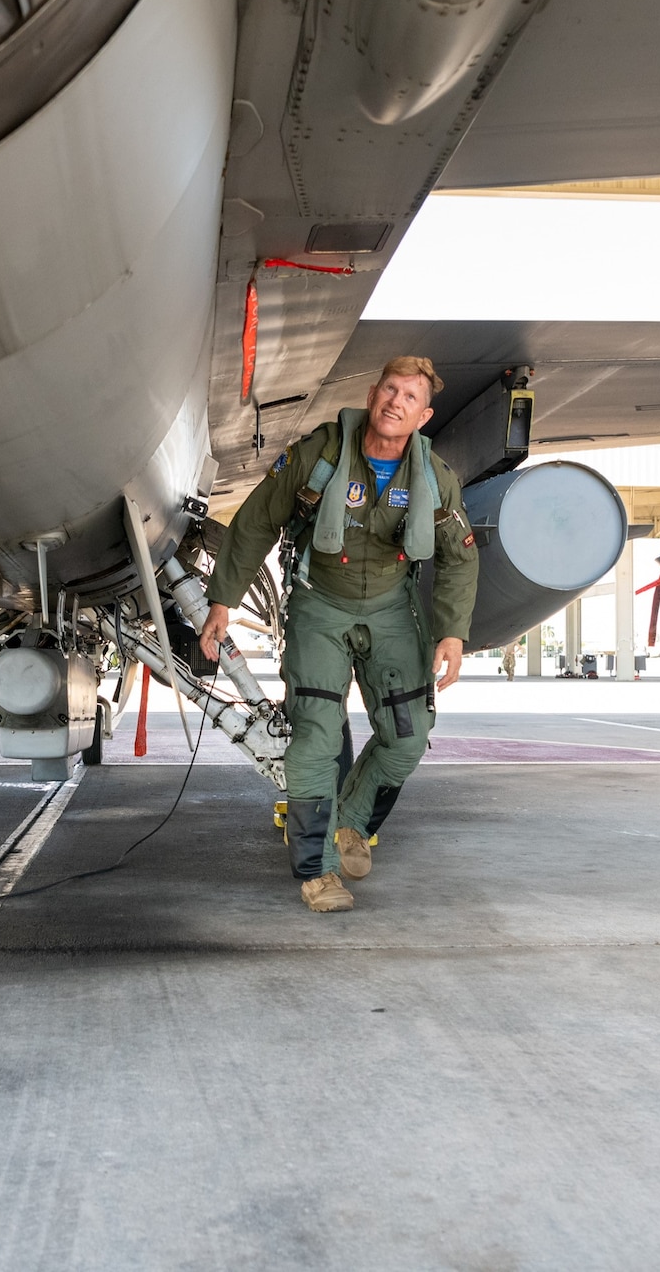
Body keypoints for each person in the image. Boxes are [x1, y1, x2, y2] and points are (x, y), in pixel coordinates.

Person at [199, 356, 478, 913]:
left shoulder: (433, 477)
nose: (396, 402)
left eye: (409, 397)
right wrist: (222, 602)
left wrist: (453, 633)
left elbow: (459, 556)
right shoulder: (320, 455)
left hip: (392, 610)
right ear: (373, 394)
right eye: (389, 390)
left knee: (407, 734)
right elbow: (256, 520)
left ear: (422, 415)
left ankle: (349, 824)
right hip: (320, 606)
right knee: (316, 739)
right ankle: (317, 871)